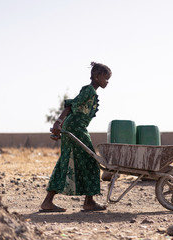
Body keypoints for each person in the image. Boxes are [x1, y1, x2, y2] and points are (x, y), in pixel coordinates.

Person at [40, 62, 112, 212]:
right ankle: (88, 202)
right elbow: (71, 105)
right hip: (76, 128)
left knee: (68, 160)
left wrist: (61, 125)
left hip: (77, 127)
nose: (107, 82)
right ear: (96, 76)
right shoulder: (89, 91)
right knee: (91, 161)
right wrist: (58, 122)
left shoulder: (91, 91)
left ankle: (51, 201)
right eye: (105, 78)